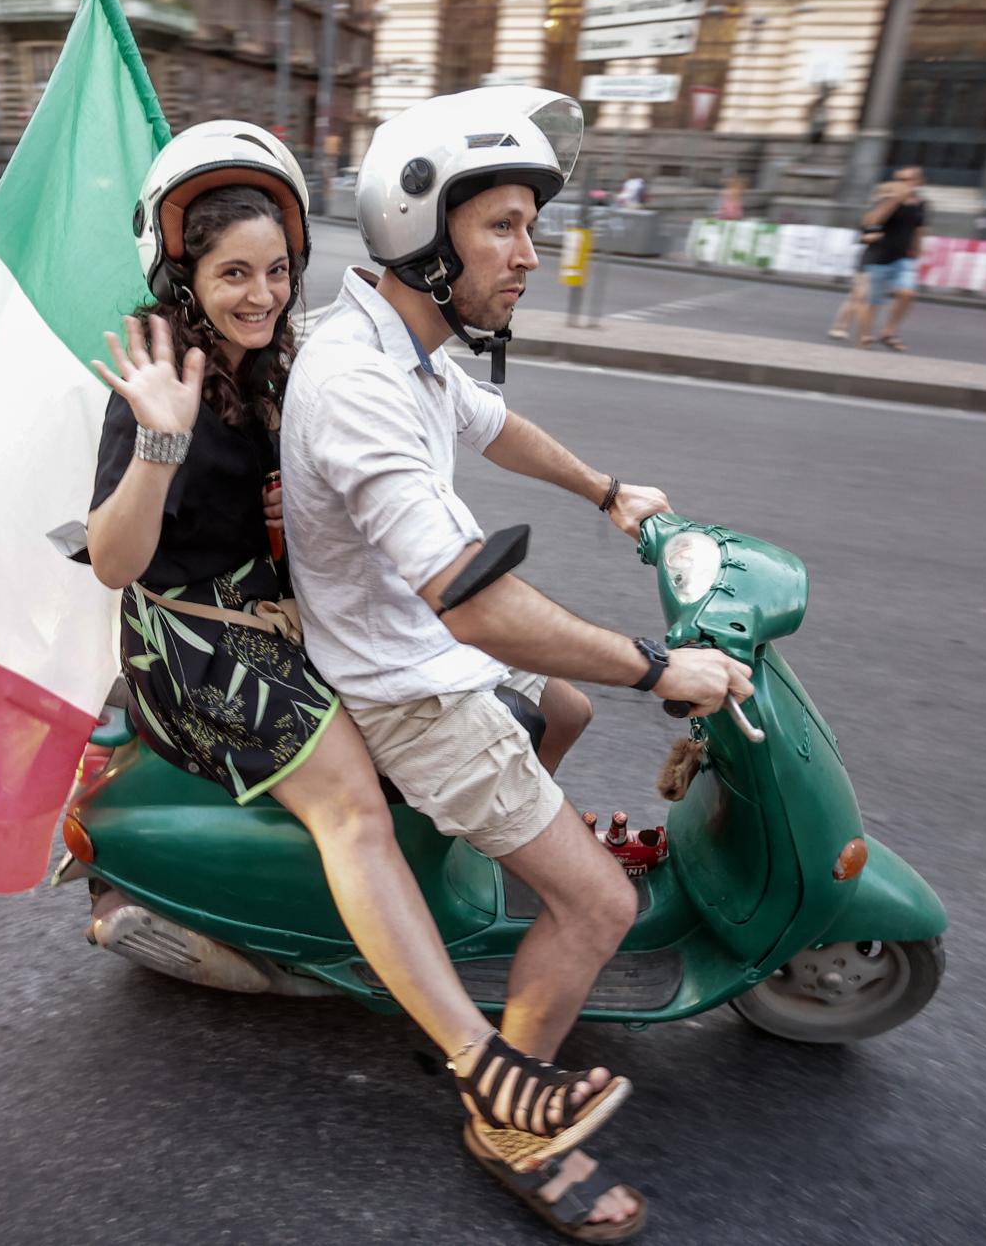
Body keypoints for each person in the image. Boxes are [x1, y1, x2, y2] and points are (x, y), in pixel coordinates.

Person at [80, 121, 634, 1207]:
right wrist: (158, 439)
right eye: (232, 274)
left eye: (276, 270)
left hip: (286, 609)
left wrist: (607, 490)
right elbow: (115, 560)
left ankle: (461, 904)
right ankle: (485, 1068)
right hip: (194, 641)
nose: (260, 295)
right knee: (351, 806)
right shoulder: (158, 371)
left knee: (554, 704)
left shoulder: (289, 353)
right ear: (184, 275)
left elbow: (453, 425)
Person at [281, 86, 755, 1242]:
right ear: (422, 231)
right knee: (603, 900)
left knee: (564, 709)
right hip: (408, 687)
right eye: (501, 226)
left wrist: (606, 491)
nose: (528, 254)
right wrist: (659, 668)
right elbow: (476, 605)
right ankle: (506, 1122)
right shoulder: (357, 385)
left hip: (413, 646)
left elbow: (491, 424)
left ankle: (488, 883)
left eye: (529, 228)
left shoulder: (406, 346)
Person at [844, 166, 926, 351]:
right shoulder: (887, 199)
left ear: (919, 182)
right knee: (873, 301)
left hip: (903, 257)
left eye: (908, 180)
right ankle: (865, 335)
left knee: (908, 293)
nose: (904, 184)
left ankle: (889, 332)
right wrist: (894, 200)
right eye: (901, 180)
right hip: (879, 256)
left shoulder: (920, 204)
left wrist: (919, 248)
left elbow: (919, 228)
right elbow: (872, 222)